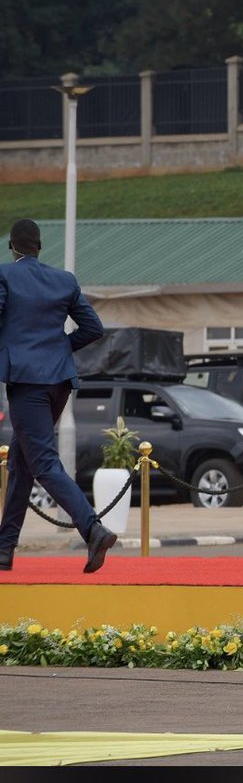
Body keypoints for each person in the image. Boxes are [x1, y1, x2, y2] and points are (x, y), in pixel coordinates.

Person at [0, 218, 115, 573]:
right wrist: (57, 349)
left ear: (12, 247)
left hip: (27, 383)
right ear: (39, 246)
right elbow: (93, 328)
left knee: (43, 463)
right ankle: (4, 550)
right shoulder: (64, 280)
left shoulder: (5, 275)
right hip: (59, 382)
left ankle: (93, 529)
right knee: (21, 462)